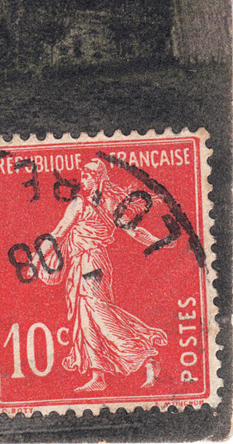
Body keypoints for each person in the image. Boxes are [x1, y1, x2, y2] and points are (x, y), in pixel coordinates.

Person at [44, 157, 171, 391]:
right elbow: (134, 232)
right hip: (90, 263)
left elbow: (59, 232)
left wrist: (37, 259)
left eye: (87, 176)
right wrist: (158, 241)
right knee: (87, 319)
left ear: (98, 179)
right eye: (83, 176)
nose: (82, 180)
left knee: (100, 315)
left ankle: (145, 356)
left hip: (90, 263)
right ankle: (98, 376)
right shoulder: (109, 203)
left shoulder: (81, 204)